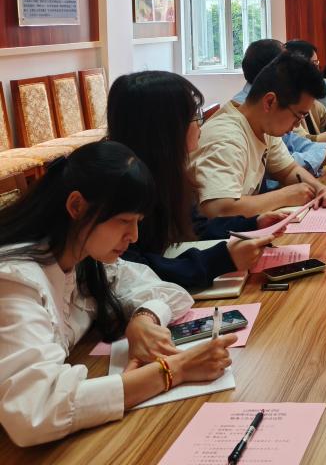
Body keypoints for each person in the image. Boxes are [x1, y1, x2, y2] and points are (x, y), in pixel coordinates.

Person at [0, 142, 235, 446]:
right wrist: (175, 369)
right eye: (124, 221)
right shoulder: (15, 281)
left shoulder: (83, 258)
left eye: (137, 222)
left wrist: (143, 320)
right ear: (76, 207)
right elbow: (35, 412)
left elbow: (164, 290)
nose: (133, 236)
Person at [107, 71, 287, 290]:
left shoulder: (165, 172)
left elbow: (195, 224)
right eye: (194, 117)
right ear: (165, 128)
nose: (201, 125)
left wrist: (253, 224)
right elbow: (133, 271)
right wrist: (221, 259)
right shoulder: (122, 186)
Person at [192, 52, 326, 218]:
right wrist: (284, 196)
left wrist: (320, 189)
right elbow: (219, 209)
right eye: (298, 116)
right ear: (270, 102)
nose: (297, 125)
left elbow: (288, 170)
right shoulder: (226, 138)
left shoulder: (263, 126)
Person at [234, 40, 326, 173]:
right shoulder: (250, 116)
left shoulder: (272, 107)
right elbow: (289, 162)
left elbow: (293, 154)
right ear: (271, 71)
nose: (314, 70)